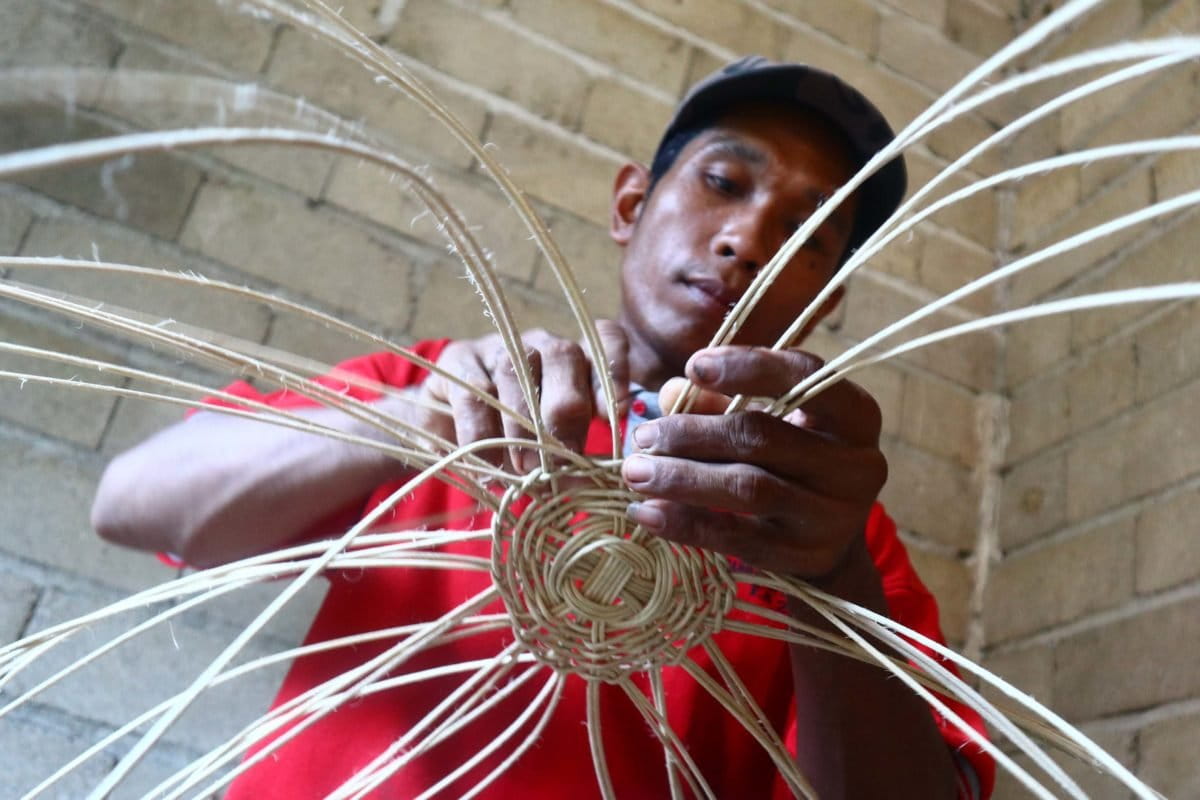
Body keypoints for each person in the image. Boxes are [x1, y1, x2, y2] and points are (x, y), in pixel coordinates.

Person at [92, 57, 994, 798]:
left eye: (807, 237)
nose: (749, 240)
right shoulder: (438, 387)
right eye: (724, 182)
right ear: (631, 206)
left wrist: (829, 578)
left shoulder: (839, 534)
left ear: (823, 303)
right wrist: (414, 421)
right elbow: (134, 503)